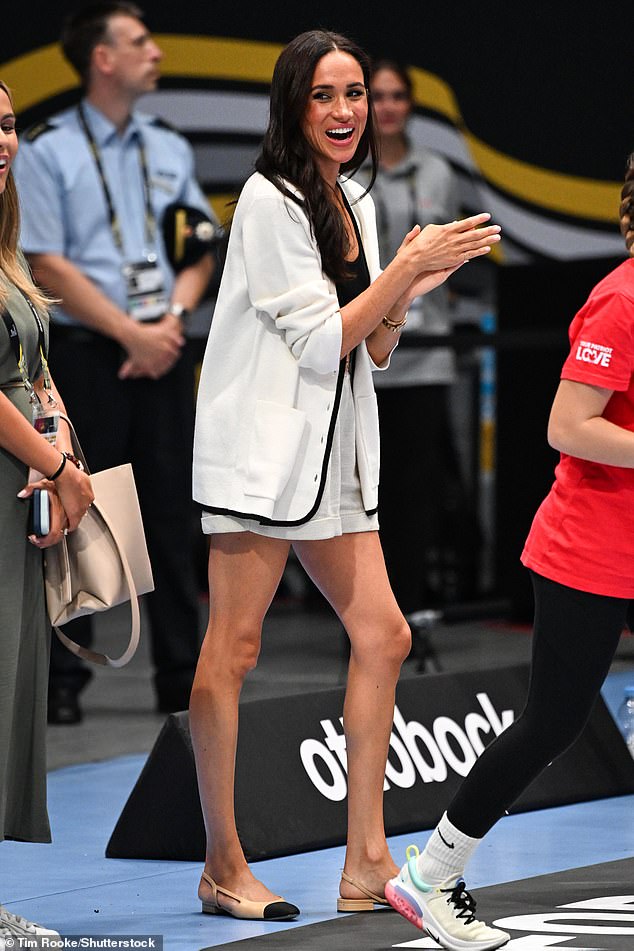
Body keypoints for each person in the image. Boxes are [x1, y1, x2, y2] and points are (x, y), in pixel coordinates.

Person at [190, 29, 499, 921]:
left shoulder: (349, 199)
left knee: (386, 634)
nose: (345, 112)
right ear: (293, 105)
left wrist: (408, 289)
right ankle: (222, 861)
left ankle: (366, 860)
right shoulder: (266, 198)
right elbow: (320, 339)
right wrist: (401, 268)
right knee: (234, 651)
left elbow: (372, 345)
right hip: (263, 460)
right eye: (325, 95)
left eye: (356, 94)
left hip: (333, 461)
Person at [385, 154, 634, 950]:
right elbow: (568, 425)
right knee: (552, 723)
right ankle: (428, 875)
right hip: (588, 547)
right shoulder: (621, 300)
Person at [15, 1, 216, 723]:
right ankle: (65, 684)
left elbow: (198, 246)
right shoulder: (46, 149)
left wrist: (170, 321)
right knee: (77, 506)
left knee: (170, 512)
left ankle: (179, 676)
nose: (155, 52)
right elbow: (45, 259)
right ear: (103, 58)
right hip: (87, 353)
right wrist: (129, 332)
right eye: (139, 42)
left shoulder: (168, 146)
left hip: (163, 345)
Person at [0, 80, 93, 940]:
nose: (0, 141)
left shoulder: (6, 248)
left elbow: (29, 367)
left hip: (18, 489)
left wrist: (59, 427)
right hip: (16, 481)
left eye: (5, 123)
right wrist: (61, 467)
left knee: (9, 691)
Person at [359, 59, 478, 612]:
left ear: (409, 104)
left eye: (396, 96)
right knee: (365, 490)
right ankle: (362, 610)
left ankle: (411, 607)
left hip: (426, 352)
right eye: (376, 96)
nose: (386, 107)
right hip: (365, 350)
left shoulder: (438, 172)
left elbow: (452, 255)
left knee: (418, 486)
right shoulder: (347, 173)